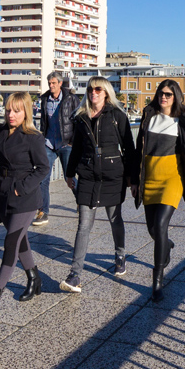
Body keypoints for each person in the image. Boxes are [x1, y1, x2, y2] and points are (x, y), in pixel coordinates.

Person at [0, 92, 51, 321]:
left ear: (26, 111)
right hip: (2, 193)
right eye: (8, 109)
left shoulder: (33, 137)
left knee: (10, 243)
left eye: (16, 110)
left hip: (24, 198)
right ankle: (34, 278)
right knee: (20, 241)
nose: (11, 114)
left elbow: (43, 168)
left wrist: (22, 188)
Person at [62, 77, 138, 291]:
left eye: (98, 89)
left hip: (113, 175)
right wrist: (70, 173)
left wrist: (133, 179)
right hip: (87, 176)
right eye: (90, 89)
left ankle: (120, 255)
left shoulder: (117, 116)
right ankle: (75, 275)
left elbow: (129, 149)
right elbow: (76, 148)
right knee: (83, 226)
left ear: (106, 93)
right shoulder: (81, 117)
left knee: (115, 219)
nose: (93, 92)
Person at [133, 79, 185, 301]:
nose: (163, 97)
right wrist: (134, 179)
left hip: (172, 178)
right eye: (160, 94)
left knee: (161, 224)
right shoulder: (148, 115)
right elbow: (138, 149)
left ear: (176, 96)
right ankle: (167, 244)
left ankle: (157, 281)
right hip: (150, 177)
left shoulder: (183, 119)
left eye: (168, 94)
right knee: (154, 231)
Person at [35, 71, 80, 227]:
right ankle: (43, 211)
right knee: (43, 178)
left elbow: (78, 120)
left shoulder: (71, 99)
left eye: (54, 83)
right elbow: (43, 121)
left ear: (60, 83)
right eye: (49, 83)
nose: (51, 85)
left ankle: (81, 202)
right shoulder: (45, 99)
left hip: (66, 144)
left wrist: (73, 142)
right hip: (48, 143)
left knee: (70, 178)